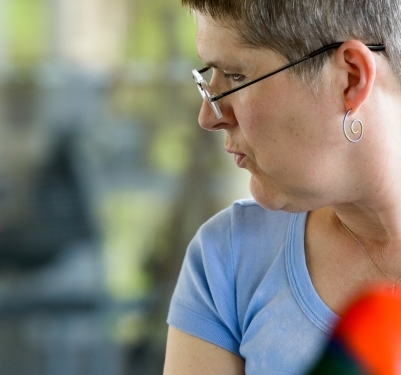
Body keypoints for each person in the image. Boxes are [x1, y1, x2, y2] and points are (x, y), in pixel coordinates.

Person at [163, 1, 401, 374]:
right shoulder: (227, 261)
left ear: (351, 79)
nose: (209, 116)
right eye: (211, 76)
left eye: (236, 76)